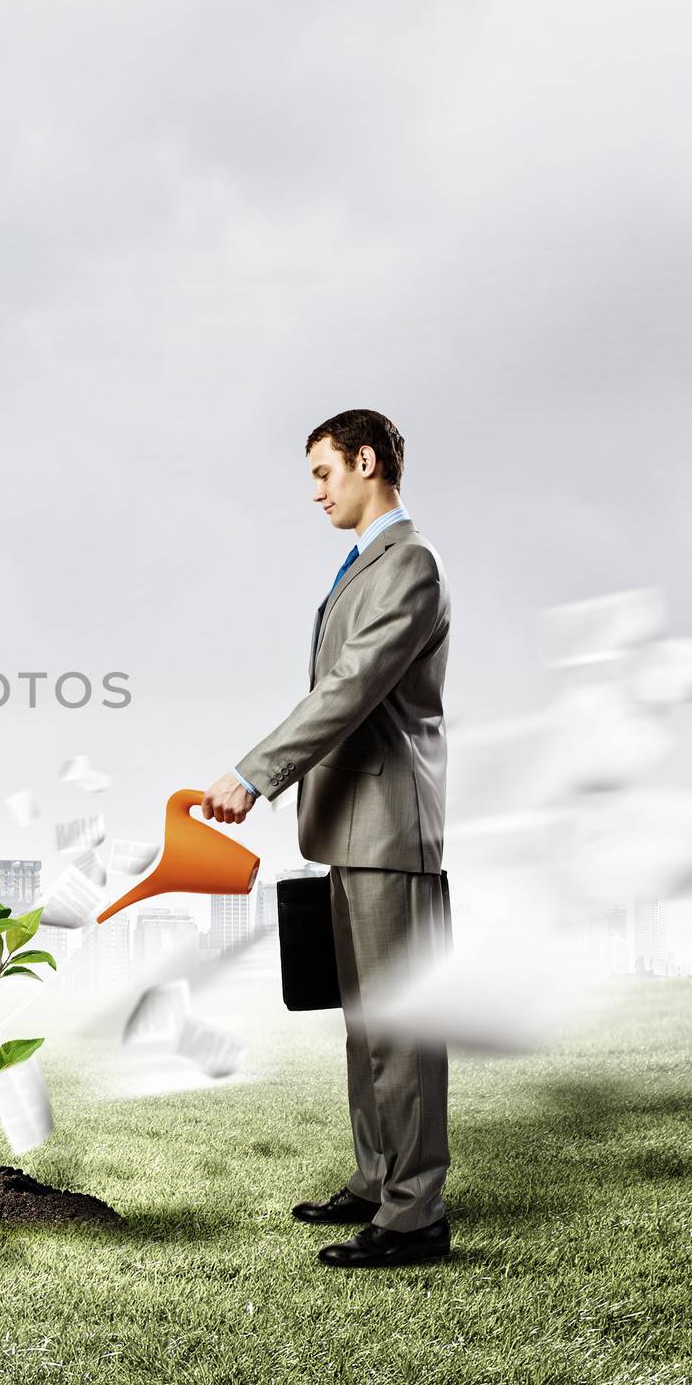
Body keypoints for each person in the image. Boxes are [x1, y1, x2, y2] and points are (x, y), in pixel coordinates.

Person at [200, 410, 453, 1269]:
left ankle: (415, 1216)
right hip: (349, 827)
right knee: (363, 1022)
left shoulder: (408, 564)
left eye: (323, 472)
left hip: (389, 829)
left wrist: (255, 772)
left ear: (366, 461)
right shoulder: (364, 565)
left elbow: (351, 689)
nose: (315, 490)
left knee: (401, 1026)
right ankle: (378, 1178)